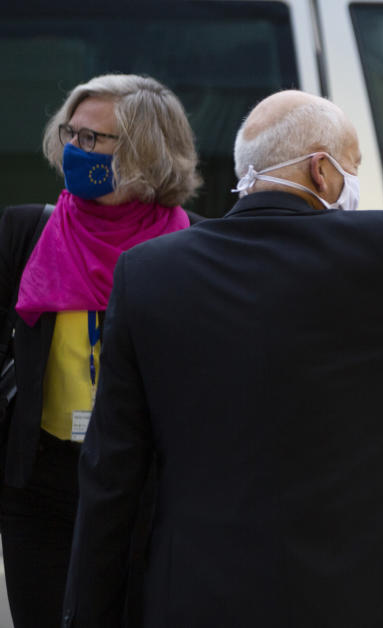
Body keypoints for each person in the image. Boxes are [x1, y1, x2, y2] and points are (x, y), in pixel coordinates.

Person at [59, 89, 383, 628]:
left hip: (196, 590)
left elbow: (111, 469)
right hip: (362, 590)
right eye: (353, 166)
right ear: (322, 171)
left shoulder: (147, 272)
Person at [0, 74, 202, 628]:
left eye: (93, 140)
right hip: (41, 488)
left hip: (151, 492)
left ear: (145, 152)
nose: (73, 149)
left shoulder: (194, 247)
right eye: (71, 132)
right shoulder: (27, 231)